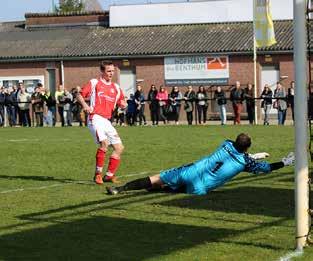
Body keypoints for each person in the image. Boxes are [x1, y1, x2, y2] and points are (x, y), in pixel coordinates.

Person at [107, 133, 295, 196]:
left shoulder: (227, 143)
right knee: (170, 190)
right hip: (201, 186)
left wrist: (252, 156)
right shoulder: (244, 161)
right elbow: (266, 169)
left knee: (155, 178)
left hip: (191, 171)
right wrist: (284, 163)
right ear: (247, 149)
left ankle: (120, 189)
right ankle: (161, 190)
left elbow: (236, 154)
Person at [77, 60, 126, 184]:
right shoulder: (95, 83)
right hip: (95, 118)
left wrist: (124, 104)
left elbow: (121, 101)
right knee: (104, 143)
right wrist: (85, 106)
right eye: (108, 71)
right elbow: (79, 95)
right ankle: (98, 174)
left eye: (112, 71)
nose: (111, 73)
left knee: (119, 148)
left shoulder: (116, 88)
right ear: (102, 71)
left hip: (107, 121)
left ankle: (109, 175)